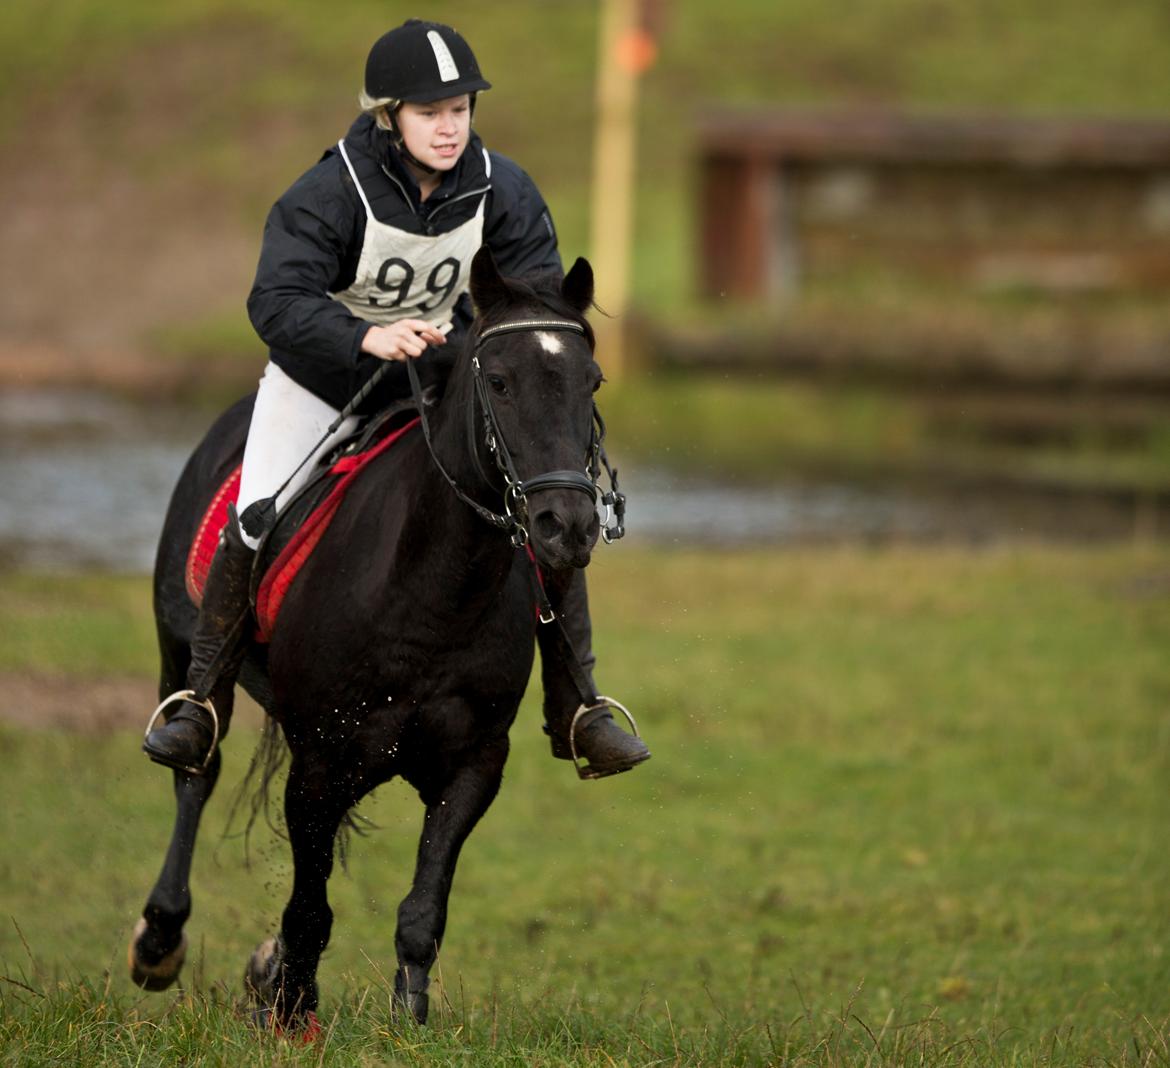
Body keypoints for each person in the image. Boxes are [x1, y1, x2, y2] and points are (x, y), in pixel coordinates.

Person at [142, 18, 650, 780]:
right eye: (429, 112)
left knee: (542, 501)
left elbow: (533, 301)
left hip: (443, 389)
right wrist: (364, 337)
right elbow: (274, 300)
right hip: (325, 384)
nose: (450, 128)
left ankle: (578, 703)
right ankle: (203, 700)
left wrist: (481, 352)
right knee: (254, 516)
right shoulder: (330, 191)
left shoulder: (503, 190)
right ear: (389, 117)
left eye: (460, 110)